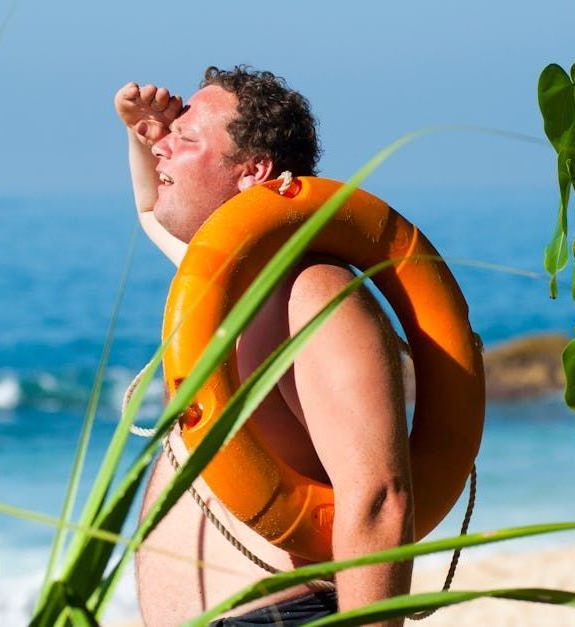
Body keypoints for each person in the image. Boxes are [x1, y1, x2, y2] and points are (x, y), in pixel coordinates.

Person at [115, 66, 413, 626]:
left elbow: (378, 496)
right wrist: (143, 133)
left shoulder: (311, 293)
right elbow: (150, 210)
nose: (163, 151)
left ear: (253, 171)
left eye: (186, 139)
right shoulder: (230, 287)